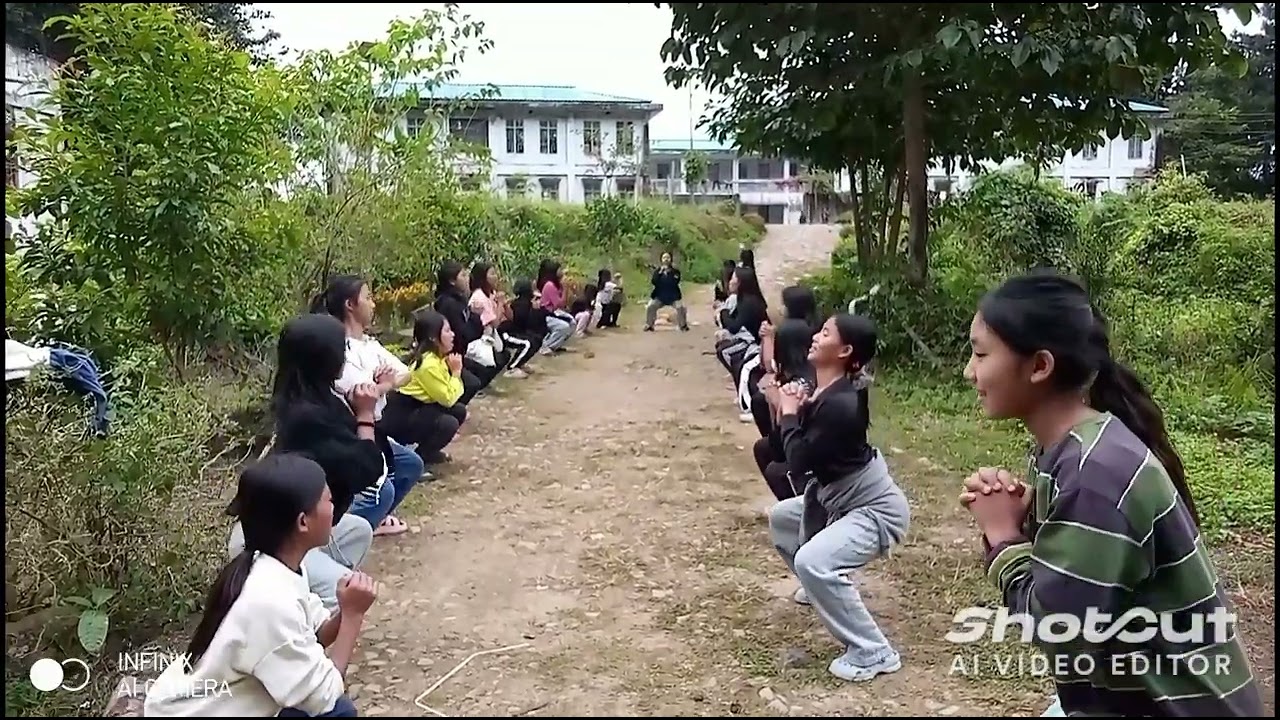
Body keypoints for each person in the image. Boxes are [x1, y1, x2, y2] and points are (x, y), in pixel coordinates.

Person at [957, 271, 1263, 717]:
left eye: (981, 354)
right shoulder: (1073, 449)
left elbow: (1061, 631)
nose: (969, 371)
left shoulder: (1094, 473)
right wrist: (1023, 519)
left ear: (1040, 366)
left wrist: (1004, 537)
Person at [144, 454, 377, 717]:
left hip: (211, 702)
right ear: (303, 522)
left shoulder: (275, 566)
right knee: (339, 712)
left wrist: (346, 607)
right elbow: (325, 696)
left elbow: (316, 633)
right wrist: (354, 616)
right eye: (329, 500)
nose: (334, 508)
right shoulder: (268, 599)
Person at [767, 313, 909, 683]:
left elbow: (798, 463)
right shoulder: (823, 393)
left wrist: (789, 413)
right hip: (839, 502)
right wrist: (784, 409)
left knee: (813, 561)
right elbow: (781, 452)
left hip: (874, 510)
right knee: (782, 519)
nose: (815, 336)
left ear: (845, 351)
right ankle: (820, 589)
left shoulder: (840, 404)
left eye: (826, 332)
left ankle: (873, 651)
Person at [229, 313, 384, 609]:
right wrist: (365, 416)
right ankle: (305, 615)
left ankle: (306, 603)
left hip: (290, 527)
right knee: (345, 593)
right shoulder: (308, 417)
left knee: (358, 531)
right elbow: (368, 468)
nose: (346, 355)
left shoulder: (304, 399)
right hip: (271, 543)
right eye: (342, 348)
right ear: (325, 358)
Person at [311, 275, 425, 536]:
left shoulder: (369, 344)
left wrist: (382, 385)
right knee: (380, 487)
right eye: (369, 297)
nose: (373, 304)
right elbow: (356, 390)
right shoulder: (337, 346)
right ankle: (340, 532)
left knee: (410, 464)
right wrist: (382, 385)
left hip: (374, 424)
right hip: (353, 428)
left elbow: (404, 373)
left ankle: (374, 518)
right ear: (350, 304)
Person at [380, 309, 467, 467]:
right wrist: (456, 373)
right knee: (448, 423)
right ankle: (418, 460)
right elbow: (448, 398)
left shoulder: (437, 358)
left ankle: (429, 452)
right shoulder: (428, 365)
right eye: (447, 331)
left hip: (419, 408)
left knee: (458, 411)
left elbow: (449, 393)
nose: (453, 334)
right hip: (403, 414)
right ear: (433, 338)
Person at [752, 318, 816, 501]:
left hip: (810, 454)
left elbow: (780, 444)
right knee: (762, 447)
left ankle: (796, 507)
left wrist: (775, 404)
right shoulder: (811, 372)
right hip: (808, 444)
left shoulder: (798, 386)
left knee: (775, 467)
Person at [750, 285, 820, 435]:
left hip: (799, 385)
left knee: (760, 398)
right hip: (812, 380)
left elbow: (770, 366)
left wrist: (768, 338)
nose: (780, 308)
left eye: (783, 304)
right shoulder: (813, 325)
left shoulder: (789, 329)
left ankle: (775, 439)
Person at [432, 260, 489, 402]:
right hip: (448, 356)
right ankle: (453, 407)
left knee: (483, 372)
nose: (467, 278)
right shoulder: (449, 304)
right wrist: (475, 316)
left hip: (458, 353)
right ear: (452, 281)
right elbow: (465, 334)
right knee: (473, 383)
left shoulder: (458, 300)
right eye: (462, 275)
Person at [467, 262, 519, 378]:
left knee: (503, 355)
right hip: (480, 338)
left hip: (491, 335)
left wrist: (504, 304)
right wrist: (499, 303)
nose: (496, 277)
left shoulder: (491, 293)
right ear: (483, 277)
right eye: (492, 274)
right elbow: (495, 323)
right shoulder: (479, 297)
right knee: (494, 361)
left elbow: (511, 317)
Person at [498, 279, 545, 371]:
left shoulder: (527, 303)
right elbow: (517, 320)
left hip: (516, 331)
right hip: (507, 333)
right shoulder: (520, 304)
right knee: (528, 343)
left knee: (536, 340)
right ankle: (512, 367)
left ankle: (521, 363)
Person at [535, 259, 575, 353]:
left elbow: (565, 303)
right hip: (545, 314)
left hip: (552, 313)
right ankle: (547, 345)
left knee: (572, 322)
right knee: (564, 327)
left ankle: (557, 345)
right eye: (559, 269)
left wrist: (566, 288)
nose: (561, 271)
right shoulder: (549, 285)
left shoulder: (556, 284)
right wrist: (565, 288)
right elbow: (559, 304)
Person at [644, 251, 689, 332]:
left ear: (671, 259)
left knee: (681, 307)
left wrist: (669, 274)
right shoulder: (657, 272)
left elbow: (675, 282)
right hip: (660, 296)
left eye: (668, 257)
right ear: (661, 260)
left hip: (673, 296)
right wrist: (660, 273)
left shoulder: (675, 272)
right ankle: (649, 325)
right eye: (664, 258)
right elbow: (654, 282)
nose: (666, 259)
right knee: (651, 306)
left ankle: (683, 325)